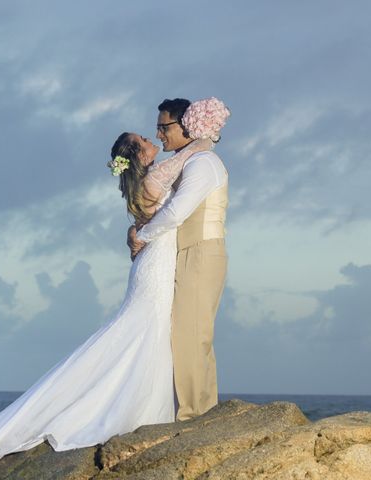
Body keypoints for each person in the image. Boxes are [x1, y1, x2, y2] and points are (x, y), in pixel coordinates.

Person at [0, 124, 216, 479]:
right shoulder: (151, 181)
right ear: (138, 155)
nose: (152, 140)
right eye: (145, 141)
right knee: (144, 332)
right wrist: (202, 142)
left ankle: (145, 405)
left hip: (156, 262)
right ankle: (132, 409)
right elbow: (181, 176)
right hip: (156, 265)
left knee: (149, 334)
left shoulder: (144, 182)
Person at [129, 97, 230, 421]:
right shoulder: (189, 162)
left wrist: (141, 237)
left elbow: (176, 213)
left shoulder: (203, 164)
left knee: (190, 337)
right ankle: (202, 411)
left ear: (186, 125)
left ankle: (191, 416)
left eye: (164, 127)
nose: (159, 134)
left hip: (200, 251)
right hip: (188, 252)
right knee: (194, 336)